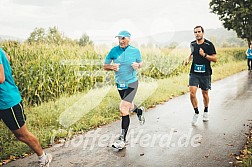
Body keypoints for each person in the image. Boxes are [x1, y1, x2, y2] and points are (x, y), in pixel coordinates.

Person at [0, 48, 52, 167]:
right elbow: (7, 57)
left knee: (22, 135)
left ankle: (43, 158)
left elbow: (1, 78)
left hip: (7, 102)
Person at [103, 30, 145, 149]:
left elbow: (141, 62)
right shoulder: (113, 51)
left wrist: (138, 65)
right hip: (120, 84)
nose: (121, 41)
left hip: (132, 83)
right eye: (119, 39)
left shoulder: (135, 51)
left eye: (123, 38)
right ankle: (139, 111)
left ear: (129, 39)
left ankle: (122, 139)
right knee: (129, 105)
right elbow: (104, 66)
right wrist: (112, 67)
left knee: (123, 108)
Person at [185, 26, 217, 125]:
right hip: (194, 73)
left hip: (205, 73)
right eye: (195, 32)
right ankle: (196, 112)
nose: (197, 34)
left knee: (205, 94)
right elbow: (192, 53)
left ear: (203, 33)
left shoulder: (209, 44)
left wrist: (204, 55)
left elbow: (215, 59)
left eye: (199, 32)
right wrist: (188, 59)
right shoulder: (192, 44)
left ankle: (206, 111)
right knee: (192, 93)